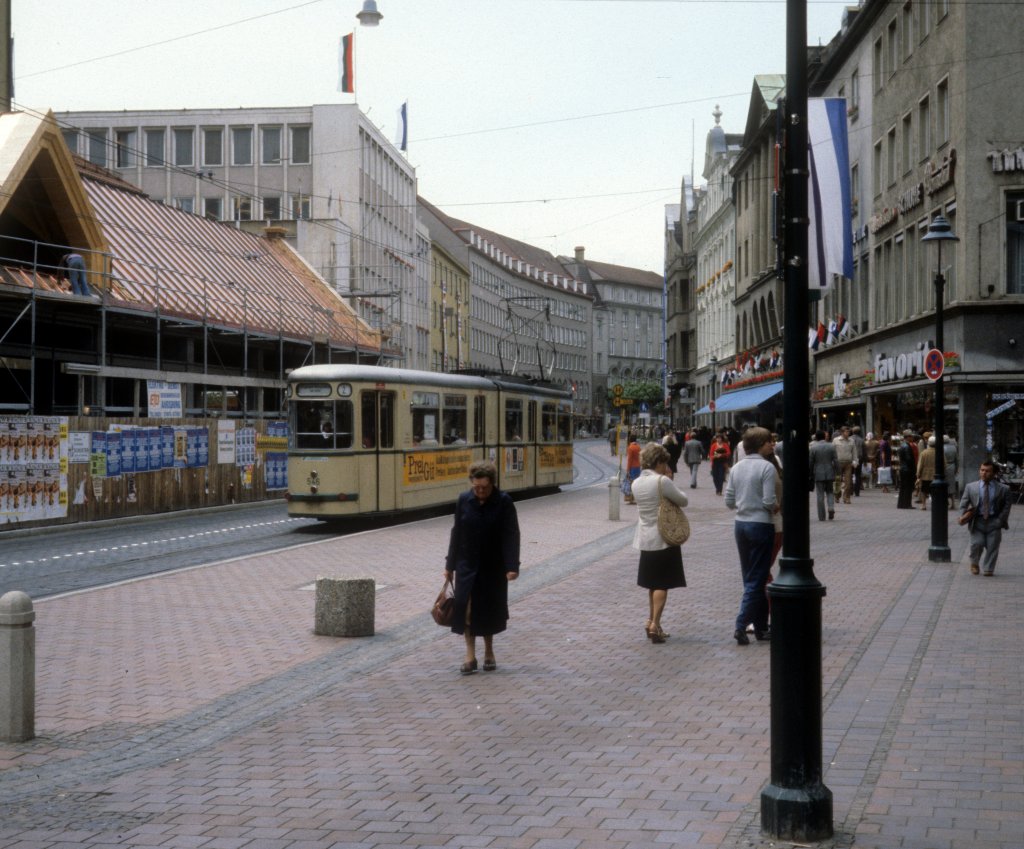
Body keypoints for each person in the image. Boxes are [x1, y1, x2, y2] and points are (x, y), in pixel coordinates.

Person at [444, 460, 520, 675]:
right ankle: (470, 656)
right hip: (466, 565)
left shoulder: (503, 501)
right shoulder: (463, 500)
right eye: (476, 487)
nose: (480, 491)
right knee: (466, 611)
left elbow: (511, 535)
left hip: (492, 567)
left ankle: (488, 651)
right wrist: (449, 565)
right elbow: (456, 533)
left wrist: (512, 566)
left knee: (487, 611)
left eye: (484, 488)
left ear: (492, 484)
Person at [724, 427, 778, 645]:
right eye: (768, 441)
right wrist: (775, 507)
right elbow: (768, 501)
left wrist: (743, 504)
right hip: (761, 524)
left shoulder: (736, 468)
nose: (772, 445)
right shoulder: (766, 467)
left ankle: (761, 627)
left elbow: (728, 501)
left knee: (751, 576)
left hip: (741, 524)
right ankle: (740, 624)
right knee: (757, 578)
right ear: (760, 444)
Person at [631, 442, 688, 644]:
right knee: (662, 583)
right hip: (664, 538)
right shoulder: (662, 481)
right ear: (659, 461)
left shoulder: (636, 482)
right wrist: (670, 479)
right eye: (665, 463)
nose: (667, 466)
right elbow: (683, 500)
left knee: (652, 583)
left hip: (645, 538)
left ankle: (650, 621)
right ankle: (655, 624)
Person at [958, 461, 1011, 576]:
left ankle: (988, 568)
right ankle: (974, 563)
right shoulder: (971, 487)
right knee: (976, 544)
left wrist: (1000, 520)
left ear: (994, 473)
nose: (984, 473)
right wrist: (962, 516)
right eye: (982, 470)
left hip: (994, 521)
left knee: (993, 546)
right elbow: (963, 504)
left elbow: (1007, 506)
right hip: (977, 521)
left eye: (987, 471)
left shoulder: (1003, 489)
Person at [809, 429, 838, 521]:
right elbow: (836, 460)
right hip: (830, 471)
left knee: (820, 494)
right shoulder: (831, 446)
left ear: (816, 437)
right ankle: (831, 507)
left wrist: (810, 473)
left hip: (818, 472)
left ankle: (822, 516)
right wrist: (838, 472)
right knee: (830, 491)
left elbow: (811, 462)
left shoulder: (813, 448)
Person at [833, 427, 855, 504]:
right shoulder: (836, 440)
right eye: (846, 432)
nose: (847, 433)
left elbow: (854, 452)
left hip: (848, 463)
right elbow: (833, 451)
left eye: (848, 432)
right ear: (842, 433)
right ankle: (837, 495)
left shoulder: (851, 440)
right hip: (838, 463)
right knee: (837, 480)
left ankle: (847, 497)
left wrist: (855, 461)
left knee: (848, 482)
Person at [896, 431, 917, 509]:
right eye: (911, 436)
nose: (912, 437)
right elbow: (909, 459)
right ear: (907, 437)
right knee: (908, 487)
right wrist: (914, 468)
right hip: (908, 470)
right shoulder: (907, 446)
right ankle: (907, 504)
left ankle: (901, 503)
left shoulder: (902, 445)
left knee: (903, 487)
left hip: (903, 468)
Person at [916, 436, 937, 510]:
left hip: (925, 475)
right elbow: (944, 464)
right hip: (935, 475)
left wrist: (918, 474)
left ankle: (924, 505)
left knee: (924, 490)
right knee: (934, 491)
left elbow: (920, 464)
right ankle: (934, 505)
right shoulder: (939, 453)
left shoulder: (924, 453)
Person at [623, 435, 642, 504]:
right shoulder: (638, 447)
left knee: (631, 483)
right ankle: (636, 498)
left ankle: (631, 499)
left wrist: (628, 469)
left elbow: (629, 460)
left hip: (632, 467)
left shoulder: (630, 447)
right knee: (636, 482)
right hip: (638, 466)